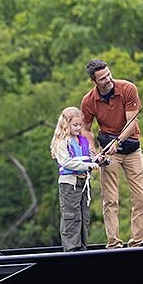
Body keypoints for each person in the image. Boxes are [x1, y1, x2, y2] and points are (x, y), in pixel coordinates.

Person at [81, 59, 143, 248]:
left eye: (109, 74)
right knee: (110, 199)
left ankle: (138, 241)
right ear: (94, 81)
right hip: (108, 153)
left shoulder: (127, 88)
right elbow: (86, 129)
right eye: (102, 78)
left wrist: (117, 141)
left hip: (131, 149)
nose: (108, 80)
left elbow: (132, 121)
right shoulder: (88, 101)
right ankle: (114, 242)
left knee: (140, 197)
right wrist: (95, 152)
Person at [50, 106, 101, 252]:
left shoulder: (83, 140)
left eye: (80, 125)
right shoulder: (62, 142)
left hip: (83, 183)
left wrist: (98, 160)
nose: (79, 128)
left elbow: (91, 157)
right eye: (75, 125)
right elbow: (66, 162)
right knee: (71, 216)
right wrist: (88, 165)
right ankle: (71, 249)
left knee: (84, 216)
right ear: (66, 125)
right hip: (69, 184)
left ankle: (83, 247)